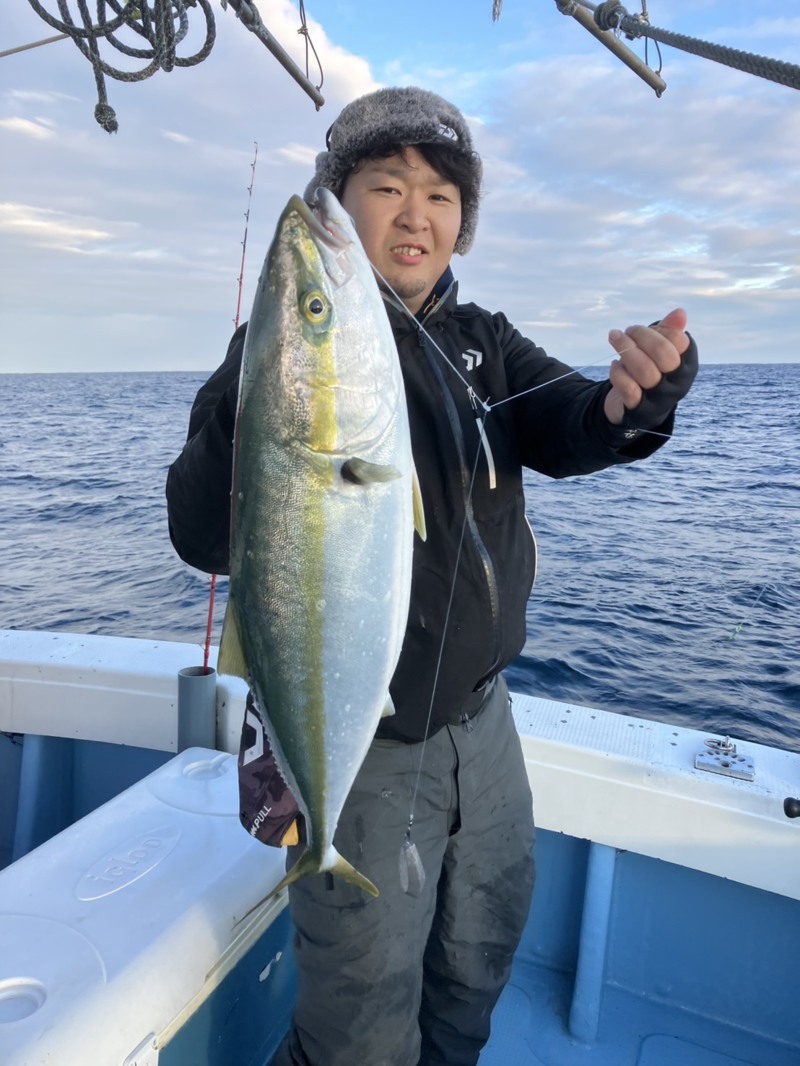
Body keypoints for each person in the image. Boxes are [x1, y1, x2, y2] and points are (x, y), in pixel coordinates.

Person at [165, 87, 698, 1066]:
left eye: (442, 194)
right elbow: (200, 537)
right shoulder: (277, 356)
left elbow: (573, 423)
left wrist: (639, 402)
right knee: (358, 1025)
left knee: (474, 965)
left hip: (484, 732)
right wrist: (251, 409)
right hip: (358, 750)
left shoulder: (484, 345)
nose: (417, 213)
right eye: (386, 185)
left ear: (462, 222)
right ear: (342, 198)